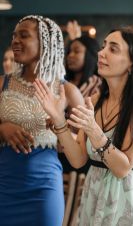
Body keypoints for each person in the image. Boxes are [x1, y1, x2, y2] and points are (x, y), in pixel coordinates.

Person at [34, 28, 133, 225]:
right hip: (94, 195)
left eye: (113, 49)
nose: (102, 53)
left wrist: (93, 129)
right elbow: (78, 159)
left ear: (132, 62)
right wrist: (59, 120)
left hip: (127, 200)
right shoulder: (93, 100)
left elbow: (123, 168)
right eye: (103, 47)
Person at [0, 15, 84, 226]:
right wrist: (2, 129)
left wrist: (60, 128)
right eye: (14, 36)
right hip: (4, 183)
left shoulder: (67, 91)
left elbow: (84, 148)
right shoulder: (2, 84)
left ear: (45, 44)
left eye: (24, 36)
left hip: (44, 187)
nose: (15, 41)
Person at [60, 35, 101, 174]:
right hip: (57, 151)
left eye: (77, 51)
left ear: (90, 55)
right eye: (69, 51)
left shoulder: (97, 86)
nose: (70, 55)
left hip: (81, 153)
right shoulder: (62, 84)